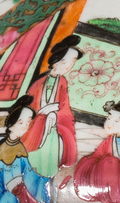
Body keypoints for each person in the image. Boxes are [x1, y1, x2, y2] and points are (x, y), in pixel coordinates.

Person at [26, 36, 80, 181]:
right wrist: (44, 113)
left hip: (54, 124)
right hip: (37, 125)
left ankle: (47, 177)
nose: (68, 66)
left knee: (52, 154)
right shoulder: (38, 83)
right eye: (65, 62)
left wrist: (55, 113)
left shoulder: (62, 82)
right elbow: (30, 108)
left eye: (72, 62)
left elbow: (65, 107)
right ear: (56, 61)